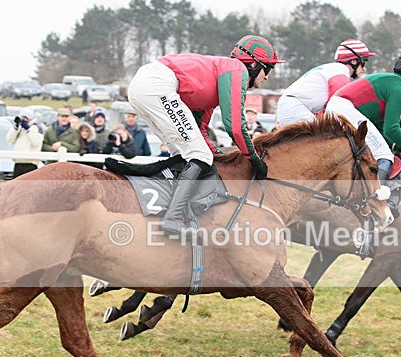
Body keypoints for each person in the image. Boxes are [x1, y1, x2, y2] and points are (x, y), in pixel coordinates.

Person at [126, 33, 282, 235]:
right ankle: (172, 219)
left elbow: (200, 132)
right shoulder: (237, 70)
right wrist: (253, 158)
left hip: (144, 86)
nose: (267, 76)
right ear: (253, 64)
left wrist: (221, 156)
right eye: (267, 69)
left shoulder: (217, 79)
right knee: (199, 155)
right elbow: (234, 125)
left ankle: (173, 210)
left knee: (185, 153)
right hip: (157, 84)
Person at [325, 51, 401, 217]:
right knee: (384, 155)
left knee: (380, 150)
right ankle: (374, 200)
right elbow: (392, 129)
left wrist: (398, 145)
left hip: (339, 107)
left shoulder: (392, 83)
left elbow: (382, 129)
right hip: (343, 109)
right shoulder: (399, 91)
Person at [276, 38, 376, 126]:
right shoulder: (341, 72)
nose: (363, 68)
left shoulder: (333, 69)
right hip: (294, 108)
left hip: (290, 107)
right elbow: (338, 108)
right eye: (363, 62)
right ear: (354, 61)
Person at [7, 108, 43, 178]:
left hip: (30, 163)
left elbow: (36, 142)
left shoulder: (37, 128)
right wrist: (16, 128)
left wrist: (28, 129)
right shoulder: (20, 129)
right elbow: (9, 140)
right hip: (18, 163)